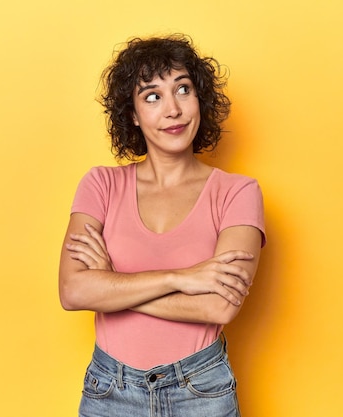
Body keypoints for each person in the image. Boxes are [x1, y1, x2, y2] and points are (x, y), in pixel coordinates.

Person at [58, 34, 266, 417]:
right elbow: (73, 291)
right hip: (110, 392)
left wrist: (111, 282)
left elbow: (218, 306)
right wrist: (181, 278)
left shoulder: (238, 192)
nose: (173, 109)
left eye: (183, 90)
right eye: (152, 96)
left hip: (201, 392)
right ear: (133, 114)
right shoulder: (101, 185)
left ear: (199, 98)